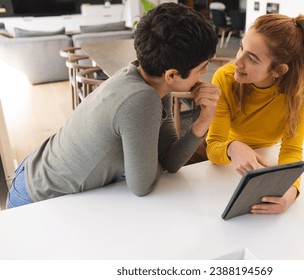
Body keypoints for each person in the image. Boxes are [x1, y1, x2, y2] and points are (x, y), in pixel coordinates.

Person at [6, 3, 220, 209]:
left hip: (37, 174)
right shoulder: (141, 99)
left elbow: (170, 162)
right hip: (37, 198)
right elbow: (142, 185)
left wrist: (204, 121)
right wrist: (149, 159)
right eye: (202, 68)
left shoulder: (146, 78)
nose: (204, 74)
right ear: (171, 75)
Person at [205, 13, 304, 214]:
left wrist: (292, 190)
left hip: (265, 152)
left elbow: (291, 149)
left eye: (251, 58)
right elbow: (214, 148)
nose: (237, 62)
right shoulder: (224, 78)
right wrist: (232, 147)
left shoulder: (303, 86)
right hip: (228, 150)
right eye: (242, 47)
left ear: (278, 70)